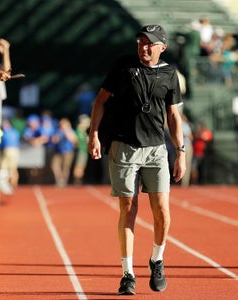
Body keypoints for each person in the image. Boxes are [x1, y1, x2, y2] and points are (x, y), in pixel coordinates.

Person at [88, 24, 186, 295]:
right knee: (128, 209)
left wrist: (181, 152)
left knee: (162, 211)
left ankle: (157, 259)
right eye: (140, 42)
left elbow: (174, 116)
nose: (143, 47)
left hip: (156, 150)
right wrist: (93, 135)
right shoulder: (123, 65)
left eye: (150, 43)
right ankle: (127, 273)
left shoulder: (169, 74)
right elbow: (100, 101)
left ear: (161, 48)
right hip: (124, 147)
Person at [73, 114, 90, 185]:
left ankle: (79, 180)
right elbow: (76, 141)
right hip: (80, 151)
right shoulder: (79, 131)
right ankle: (77, 180)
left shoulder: (83, 132)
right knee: (79, 165)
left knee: (82, 166)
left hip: (84, 151)